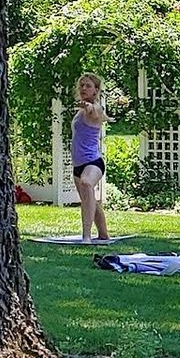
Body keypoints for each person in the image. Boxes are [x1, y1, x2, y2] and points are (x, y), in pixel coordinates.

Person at [71, 73, 111, 241]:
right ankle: (104, 235)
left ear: (96, 91)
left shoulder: (96, 108)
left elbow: (94, 112)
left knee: (87, 184)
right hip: (78, 165)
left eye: (88, 86)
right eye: (82, 85)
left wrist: (87, 106)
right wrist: (83, 107)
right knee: (90, 200)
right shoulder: (79, 112)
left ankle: (86, 236)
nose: (83, 88)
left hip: (93, 163)